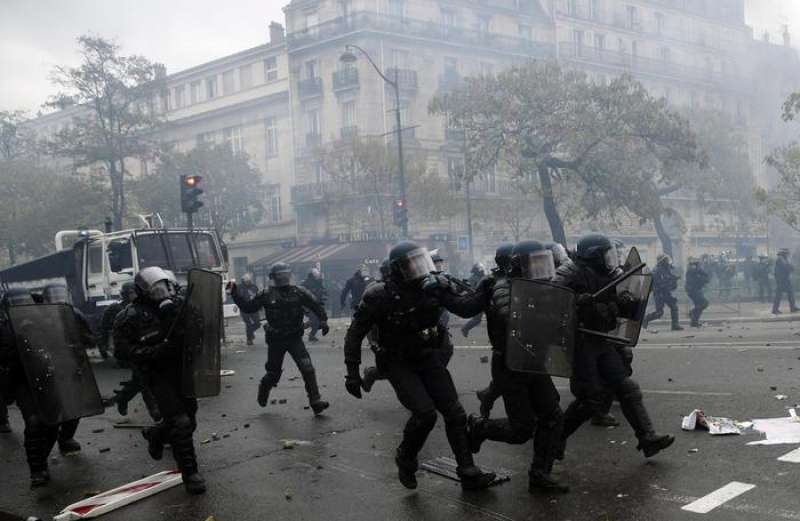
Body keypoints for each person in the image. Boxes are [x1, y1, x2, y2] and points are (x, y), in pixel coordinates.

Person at [343, 241, 495, 491]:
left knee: (455, 413)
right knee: (425, 414)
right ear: (396, 269)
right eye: (410, 264)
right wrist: (351, 372)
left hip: (427, 355)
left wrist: (485, 289)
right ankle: (406, 457)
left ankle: (467, 470)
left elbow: (465, 308)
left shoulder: (433, 286)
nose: (417, 268)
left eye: (419, 261)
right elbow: (355, 333)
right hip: (397, 362)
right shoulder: (379, 294)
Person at [429, 240, 568, 492]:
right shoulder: (501, 287)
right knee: (522, 429)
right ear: (519, 266)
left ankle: (540, 474)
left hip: (534, 361)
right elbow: (471, 308)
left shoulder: (543, 286)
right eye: (535, 263)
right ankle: (480, 427)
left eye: (543, 262)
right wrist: (442, 291)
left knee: (552, 416)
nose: (541, 269)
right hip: (510, 364)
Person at [553, 234, 674, 460]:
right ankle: (555, 440)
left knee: (627, 388)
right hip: (580, 342)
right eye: (606, 254)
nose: (610, 259)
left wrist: (624, 301)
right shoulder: (570, 272)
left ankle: (647, 438)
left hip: (601, 338)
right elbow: (551, 300)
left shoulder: (611, 274)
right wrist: (577, 301)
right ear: (593, 255)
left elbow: (623, 300)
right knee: (590, 400)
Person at [113, 267, 206, 494]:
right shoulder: (129, 316)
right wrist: (154, 352)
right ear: (142, 291)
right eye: (154, 289)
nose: (160, 292)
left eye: (163, 287)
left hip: (182, 372)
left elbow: (201, 329)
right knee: (181, 422)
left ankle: (156, 434)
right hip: (156, 375)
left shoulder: (180, 306)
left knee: (189, 421)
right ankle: (190, 473)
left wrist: (175, 314)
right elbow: (122, 352)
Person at [230, 262, 330, 414]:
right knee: (273, 374)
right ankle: (264, 387)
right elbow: (249, 307)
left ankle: (315, 401)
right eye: (280, 274)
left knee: (307, 368)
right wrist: (235, 294)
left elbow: (315, 304)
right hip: (276, 339)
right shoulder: (266, 294)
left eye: (285, 273)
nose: (283, 277)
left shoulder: (299, 292)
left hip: (294, 337)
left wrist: (323, 320)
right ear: (274, 277)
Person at [1, 288, 61, 486]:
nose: (20, 306)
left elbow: (57, 344)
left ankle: (40, 458)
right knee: (34, 421)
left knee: (53, 421)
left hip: (45, 377)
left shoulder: (41, 323)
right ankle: (37, 470)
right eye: (15, 303)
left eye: (23, 301)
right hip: (21, 381)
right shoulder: (4, 329)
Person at [103, 282, 162, 421]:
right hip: (130, 351)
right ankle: (154, 410)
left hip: (146, 347)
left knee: (139, 379)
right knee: (143, 380)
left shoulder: (145, 306)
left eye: (134, 293)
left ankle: (122, 398)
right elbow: (105, 329)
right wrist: (103, 347)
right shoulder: (117, 309)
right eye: (130, 293)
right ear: (125, 295)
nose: (133, 296)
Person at [474, 243, 513, 418]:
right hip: (503, 339)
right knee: (506, 382)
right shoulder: (491, 282)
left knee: (505, 382)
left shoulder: (519, 278)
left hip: (520, 337)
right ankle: (484, 411)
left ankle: (486, 396)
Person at [643, 254, 683, 331]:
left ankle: (675, 325)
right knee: (659, 313)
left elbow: (670, 277)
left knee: (674, 306)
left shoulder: (666, 269)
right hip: (659, 293)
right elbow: (658, 282)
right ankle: (646, 319)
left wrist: (675, 279)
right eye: (666, 260)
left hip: (666, 292)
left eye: (667, 259)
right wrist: (668, 281)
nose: (668, 261)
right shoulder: (656, 270)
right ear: (662, 261)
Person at [460, 263, 487, 337]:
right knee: (477, 319)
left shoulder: (484, 277)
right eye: (480, 270)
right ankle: (465, 328)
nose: (482, 271)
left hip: (485, 299)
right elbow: (471, 290)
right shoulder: (472, 278)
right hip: (478, 300)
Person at [301, 267, 327, 343]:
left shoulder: (318, 283)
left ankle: (298, 330)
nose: (318, 277)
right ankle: (311, 336)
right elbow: (301, 293)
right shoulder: (306, 283)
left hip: (315, 305)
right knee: (315, 320)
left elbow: (322, 292)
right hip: (307, 306)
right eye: (317, 275)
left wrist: (323, 296)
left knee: (315, 321)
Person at [236, 273, 261, 346]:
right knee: (248, 324)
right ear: (243, 281)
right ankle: (249, 339)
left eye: (249, 281)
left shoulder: (254, 287)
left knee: (257, 323)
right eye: (246, 281)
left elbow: (258, 296)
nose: (248, 282)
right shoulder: (239, 287)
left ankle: (250, 333)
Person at [685, 257, 711, 328]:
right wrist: (702, 279)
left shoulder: (695, 270)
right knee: (704, 303)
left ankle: (694, 321)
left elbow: (706, 277)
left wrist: (703, 279)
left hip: (696, 290)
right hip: (694, 290)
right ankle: (692, 313)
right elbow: (699, 279)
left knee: (699, 305)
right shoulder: (693, 270)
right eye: (698, 263)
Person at [773, 248, 799, 314]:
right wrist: (791, 267)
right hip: (782, 280)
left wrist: (791, 267)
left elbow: (789, 267)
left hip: (785, 280)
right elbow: (787, 267)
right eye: (787, 253)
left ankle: (792, 307)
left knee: (790, 294)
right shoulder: (780, 259)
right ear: (783, 254)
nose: (788, 255)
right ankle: (775, 310)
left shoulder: (784, 259)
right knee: (779, 295)